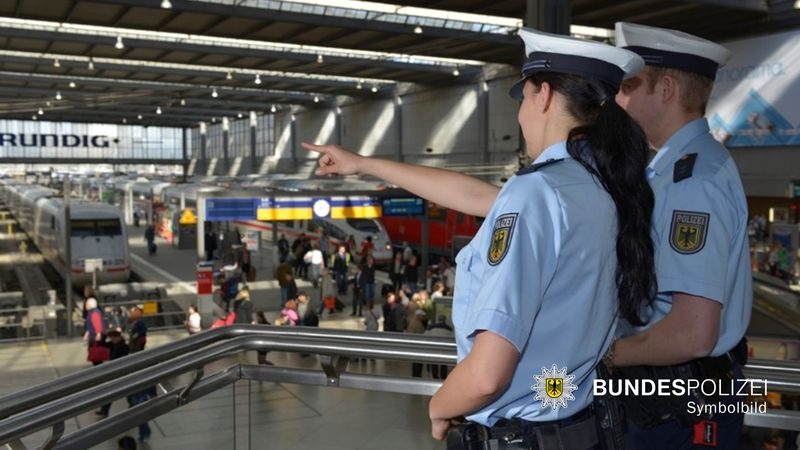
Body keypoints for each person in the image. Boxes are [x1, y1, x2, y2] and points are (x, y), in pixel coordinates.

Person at [304, 26, 656, 449]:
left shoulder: (539, 191)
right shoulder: (594, 187)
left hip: (524, 436)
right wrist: (364, 164)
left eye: (523, 97)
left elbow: (488, 374)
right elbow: (478, 196)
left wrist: (440, 406)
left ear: (542, 96)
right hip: (578, 422)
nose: (522, 112)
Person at [609, 22, 753, 449]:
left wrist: (602, 356)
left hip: (680, 415)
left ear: (666, 90)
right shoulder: (675, 170)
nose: (618, 99)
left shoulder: (694, 182)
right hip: (671, 404)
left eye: (629, 87)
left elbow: (693, 333)